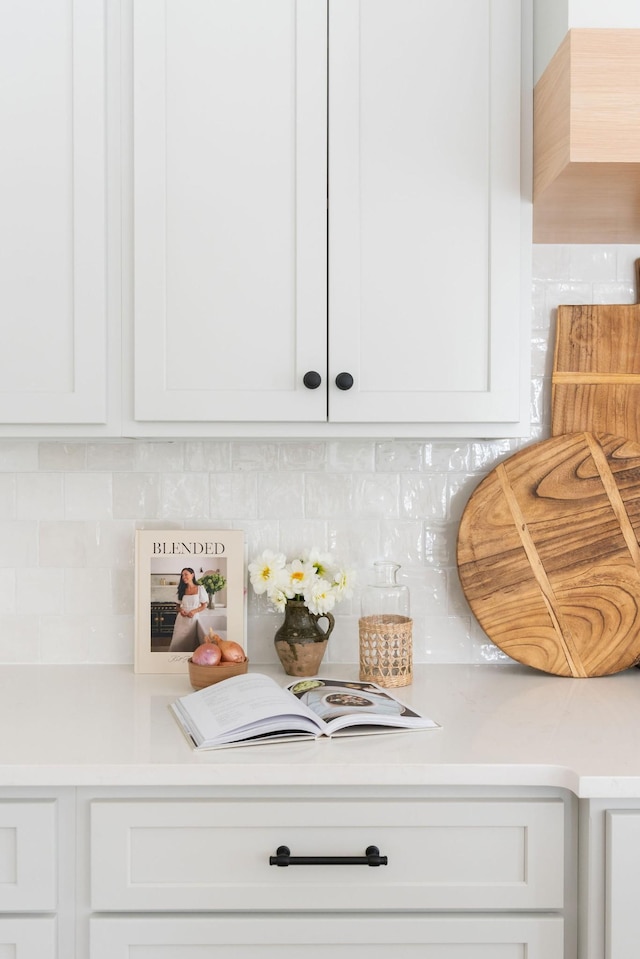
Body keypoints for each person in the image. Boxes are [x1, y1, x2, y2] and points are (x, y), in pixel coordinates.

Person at [168, 568, 208, 652]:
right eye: (182, 575)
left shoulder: (200, 588)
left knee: (190, 642)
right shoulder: (181, 589)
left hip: (193, 619)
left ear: (192, 575)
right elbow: (177, 606)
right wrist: (181, 610)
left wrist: (194, 611)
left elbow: (204, 605)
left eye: (186, 574)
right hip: (181, 619)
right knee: (177, 641)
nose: (183, 577)